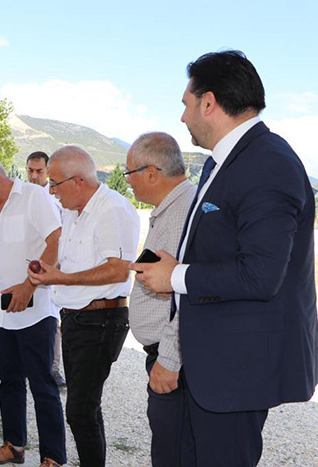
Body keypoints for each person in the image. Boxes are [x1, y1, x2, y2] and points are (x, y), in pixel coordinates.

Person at [133, 50, 318, 466]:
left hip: (235, 374)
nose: (182, 117)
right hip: (208, 368)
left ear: (209, 102)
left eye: (186, 103)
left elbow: (261, 275)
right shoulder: (227, 161)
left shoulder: (267, 163)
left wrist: (175, 276)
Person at [28, 145, 139, 467]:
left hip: (101, 319)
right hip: (78, 319)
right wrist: (49, 273)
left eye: (55, 183)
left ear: (77, 181)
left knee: (79, 411)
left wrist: (61, 278)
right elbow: (71, 261)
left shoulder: (111, 208)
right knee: (86, 409)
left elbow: (117, 270)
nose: (51, 190)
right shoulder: (72, 211)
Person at [0, 151, 66, 467]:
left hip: (36, 310)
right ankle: (14, 445)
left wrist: (29, 285)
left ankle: (53, 457)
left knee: (42, 385)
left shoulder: (34, 197)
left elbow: (57, 240)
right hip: (1, 312)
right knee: (9, 381)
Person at [125, 132, 195, 466]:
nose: (127, 181)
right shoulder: (172, 208)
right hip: (166, 355)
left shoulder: (183, 212)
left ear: (152, 173)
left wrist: (169, 358)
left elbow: (189, 296)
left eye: (130, 173)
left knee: (174, 453)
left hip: (173, 360)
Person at [26, 150, 66, 387]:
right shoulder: (22, 198)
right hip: (28, 265)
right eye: (30, 171)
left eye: (39, 171)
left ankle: (54, 368)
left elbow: (61, 238)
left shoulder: (56, 202)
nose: (34, 176)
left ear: (48, 172)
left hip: (50, 268)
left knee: (52, 319)